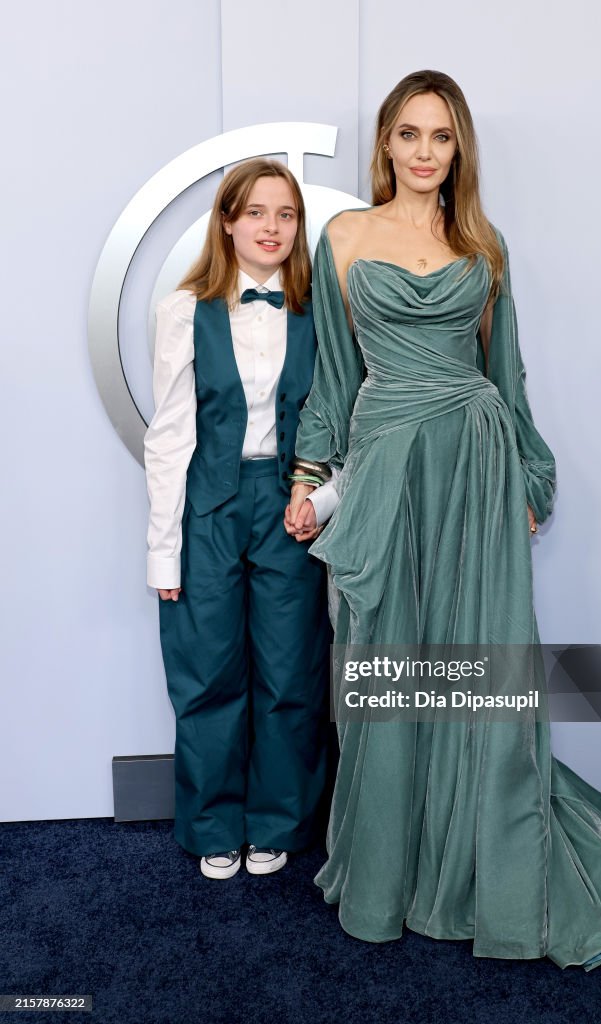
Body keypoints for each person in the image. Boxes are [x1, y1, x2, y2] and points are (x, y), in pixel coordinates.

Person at [285, 71, 601, 969]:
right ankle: (388, 872)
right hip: (384, 469)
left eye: (440, 137)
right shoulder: (342, 236)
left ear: (459, 150)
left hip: (476, 465)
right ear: (384, 144)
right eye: (408, 134)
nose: (423, 152)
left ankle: (475, 864)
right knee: (381, 670)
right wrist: (309, 477)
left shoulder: (484, 244)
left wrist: (530, 474)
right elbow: (334, 380)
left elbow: (507, 371)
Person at [144, 158, 335, 880]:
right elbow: (167, 435)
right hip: (209, 505)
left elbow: (341, 422)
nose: (271, 228)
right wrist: (163, 553)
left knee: (290, 673)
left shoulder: (323, 311)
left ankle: (278, 820)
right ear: (227, 221)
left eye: (284, 215)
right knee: (207, 673)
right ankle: (213, 823)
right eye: (255, 212)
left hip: (290, 507)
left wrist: (321, 498)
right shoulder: (184, 309)